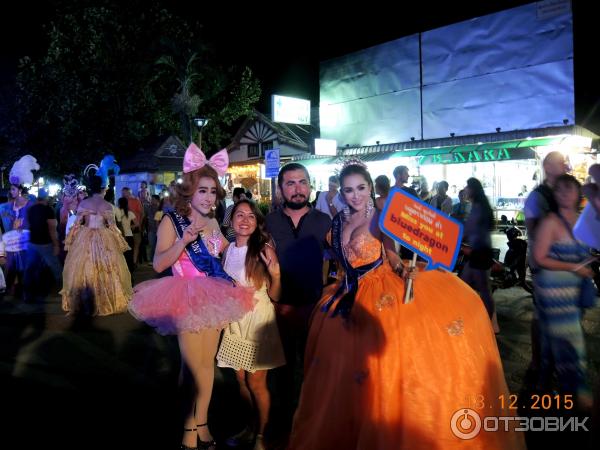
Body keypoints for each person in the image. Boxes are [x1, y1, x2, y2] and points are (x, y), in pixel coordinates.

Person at [289, 161, 525, 450]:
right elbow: (337, 260)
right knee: (339, 377)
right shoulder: (337, 220)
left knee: (384, 369)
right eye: (349, 190)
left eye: (361, 188)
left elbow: (394, 258)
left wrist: (404, 271)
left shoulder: (380, 218)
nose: (355, 195)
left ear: (370, 187)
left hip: (380, 293)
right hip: (345, 297)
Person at [128, 144, 255, 450]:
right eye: (202, 191)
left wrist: (253, 241)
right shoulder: (173, 221)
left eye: (213, 192)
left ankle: (203, 424)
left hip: (212, 296)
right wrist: (184, 240)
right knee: (190, 366)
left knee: (206, 366)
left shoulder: (213, 223)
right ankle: (188, 429)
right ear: (189, 192)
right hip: (183, 296)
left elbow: (226, 254)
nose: (209, 197)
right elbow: (158, 263)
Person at [264, 162, 331, 433]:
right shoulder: (269, 222)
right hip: (277, 308)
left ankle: (311, 422)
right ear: (281, 189)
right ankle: (283, 422)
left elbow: (339, 256)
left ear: (310, 185)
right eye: (290, 183)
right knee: (280, 370)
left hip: (313, 308)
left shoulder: (323, 221)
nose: (297, 189)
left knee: (313, 368)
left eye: (302, 182)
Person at [217, 199, 285, 450]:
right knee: (240, 382)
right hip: (234, 322)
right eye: (240, 215)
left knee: (256, 383)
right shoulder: (228, 250)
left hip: (257, 320)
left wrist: (276, 276)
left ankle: (261, 435)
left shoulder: (264, 249)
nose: (245, 220)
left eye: (251, 216)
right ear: (231, 220)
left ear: (258, 222)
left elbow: (276, 295)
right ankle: (250, 425)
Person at [532, 174, 594, 410]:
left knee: (551, 338)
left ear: (579, 193)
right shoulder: (550, 222)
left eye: (569, 189)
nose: (564, 193)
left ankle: (542, 383)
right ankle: (577, 390)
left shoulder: (583, 220)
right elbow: (539, 258)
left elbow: (585, 252)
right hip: (553, 292)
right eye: (559, 190)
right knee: (571, 340)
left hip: (574, 291)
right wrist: (574, 267)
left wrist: (586, 264)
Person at [524, 151, 568, 385]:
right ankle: (537, 361)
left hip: (562, 264)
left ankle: (552, 360)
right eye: (561, 163)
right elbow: (532, 231)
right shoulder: (537, 197)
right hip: (544, 265)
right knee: (541, 316)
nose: (566, 167)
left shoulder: (562, 194)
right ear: (548, 167)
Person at [60, 175, 133, 316]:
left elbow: (76, 225)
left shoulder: (84, 204)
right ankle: (105, 300)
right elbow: (112, 227)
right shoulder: (107, 205)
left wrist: (70, 239)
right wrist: (119, 241)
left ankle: (86, 301)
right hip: (104, 237)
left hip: (85, 237)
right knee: (107, 268)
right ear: (102, 188)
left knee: (84, 267)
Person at [460, 177, 498, 332]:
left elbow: (469, 228)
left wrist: (456, 238)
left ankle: (488, 324)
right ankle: (470, 317)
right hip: (479, 251)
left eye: (467, 187)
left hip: (480, 252)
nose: (466, 189)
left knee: (482, 289)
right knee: (465, 284)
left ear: (473, 189)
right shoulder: (480, 205)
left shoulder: (478, 207)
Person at [0, 156, 37, 299]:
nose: (11, 191)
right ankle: (15, 292)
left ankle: (26, 292)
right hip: (12, 243)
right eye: (11, 189)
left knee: (25, 269)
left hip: (26, 243)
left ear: (20, 190)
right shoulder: (9, 206)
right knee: (13, 268)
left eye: (13, 189)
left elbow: (33, 224)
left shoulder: (29, 205)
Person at [23, 188, 63, 302]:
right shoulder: (48, 210)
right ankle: (61, 291)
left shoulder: (31, 209)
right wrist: (56, 245)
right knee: (56, 267)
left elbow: (28, 225)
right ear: (46, 197)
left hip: (32, 243)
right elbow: (52, 229)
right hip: (45, 244)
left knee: (30, 269)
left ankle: (28, 294)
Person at [121, 186, 144, 266]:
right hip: (129, 225)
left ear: (129, 192)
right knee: (132, 244)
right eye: (122, 192)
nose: (123, 194)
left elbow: (141, 213)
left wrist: (139, 224)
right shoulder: (123, 201)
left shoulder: (135, 201)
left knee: (136, 243)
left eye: (124, 192)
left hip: (134, 224)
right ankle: (132, 261)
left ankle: (133, 261)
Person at [115, 197, 137, 273]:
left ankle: (122, 271)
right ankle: (130, 270)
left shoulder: (117, 212)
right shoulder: (130, 213)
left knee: (121, 254)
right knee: (129, 254)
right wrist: (130, 227)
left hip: (120, 236)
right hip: (129, 235)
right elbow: (136, 224)